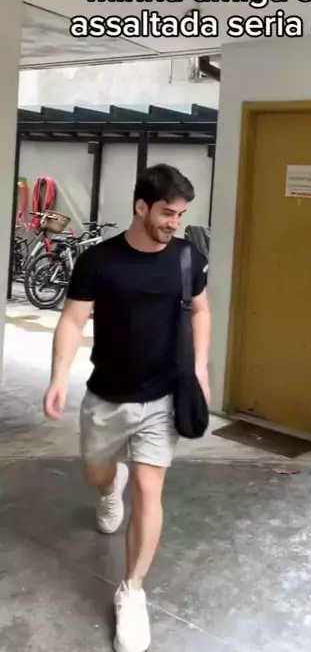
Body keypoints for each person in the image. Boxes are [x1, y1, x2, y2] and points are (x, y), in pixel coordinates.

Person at [43, 163, 211, 652]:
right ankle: (107, 489)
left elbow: (201, 309)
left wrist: (199, 367)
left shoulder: (188, 258)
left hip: (162, 398)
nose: (174, 223)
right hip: (106, 396)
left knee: (149, 489)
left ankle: (132, 590)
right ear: (140, 207)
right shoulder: (99, 261)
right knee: (99, 473)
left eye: (180, 215)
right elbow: (72, 321)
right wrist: (58, 377)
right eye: (167, 213)